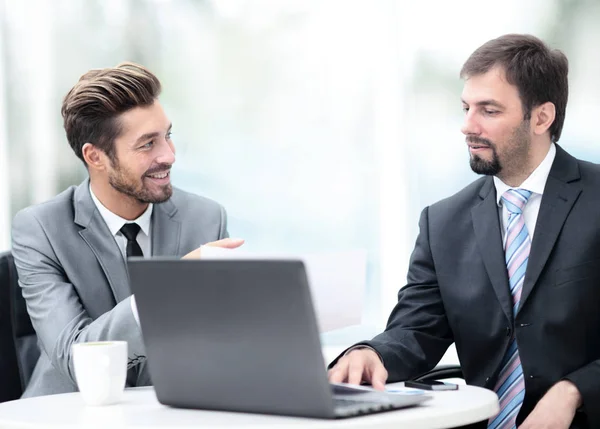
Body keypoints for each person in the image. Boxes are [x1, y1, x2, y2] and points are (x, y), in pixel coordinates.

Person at [328, 34, 600, 429]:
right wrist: (372, 353)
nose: (467, 126)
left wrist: (572, 392)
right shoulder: (442, 223)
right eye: (466, 107)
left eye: (488, 110)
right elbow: (416, 329)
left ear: (542, 117)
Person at [11, 63, 243, 397]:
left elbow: (225, 339)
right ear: (96, 157)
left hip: (170, 410)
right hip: (69, 413)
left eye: (168, 136)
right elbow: (77, 358)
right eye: (148, 144)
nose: (169, 156)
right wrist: (168, 289)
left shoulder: (205, 218)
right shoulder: (40, 230)